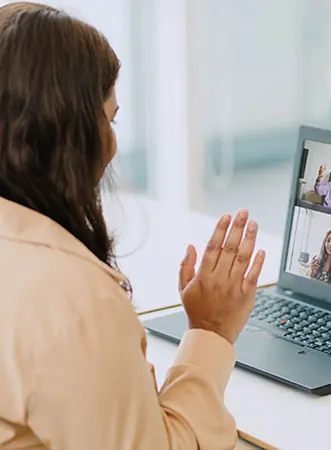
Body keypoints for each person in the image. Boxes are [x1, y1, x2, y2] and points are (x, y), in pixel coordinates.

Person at [0, 3, 265, 449]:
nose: (111, 142)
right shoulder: (71, 298)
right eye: (109, 118)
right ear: (72, 136)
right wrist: (211, 331)